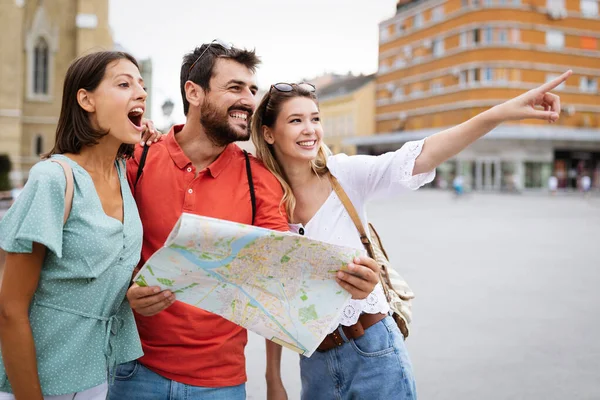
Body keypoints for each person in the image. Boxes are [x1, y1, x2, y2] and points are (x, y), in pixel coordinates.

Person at [252, 70, 571, 399]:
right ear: (270, 133)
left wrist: (500, 113)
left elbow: (423, 155)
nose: (310, 130)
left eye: (315, 118)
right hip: (314, 365)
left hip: (374, 353)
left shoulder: (344, 174)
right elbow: (272, 296)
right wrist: (273, 378)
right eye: (295, 121)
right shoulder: (265, 203)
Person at [107, 41, 380, 400]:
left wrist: (348, 281)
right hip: (135, 371)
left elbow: (279, 274)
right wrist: (129, 290)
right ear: (193, 92)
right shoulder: (136, 159)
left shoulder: (259, 179)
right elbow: (105, 248)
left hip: (221, 383)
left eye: (252, 90)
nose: (250, 101)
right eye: (235, 88)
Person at [0, 51, 160, 400]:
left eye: (142, 85)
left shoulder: (122, 172)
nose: (142, 93)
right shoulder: (53, 179)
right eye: (123, 83)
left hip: (98, 379)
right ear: (86, 99)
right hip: (39, 384)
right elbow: (10, 309)